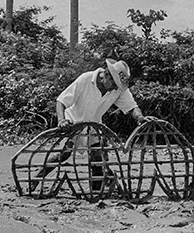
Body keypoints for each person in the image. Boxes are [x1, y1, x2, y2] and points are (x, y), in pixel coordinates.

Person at [33, 58, 150, 191]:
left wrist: (140, 117)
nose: (115, 88)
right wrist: (61, 120)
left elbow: (132, 107)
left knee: (97, 158)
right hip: (73, 121)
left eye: (117, 86)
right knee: (63, 154)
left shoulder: (117, 89)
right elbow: (62, 100)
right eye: (114, 84)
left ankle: (96, 193)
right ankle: (36, 178)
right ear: (106, 75)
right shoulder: (86, 79)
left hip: (94, 125)